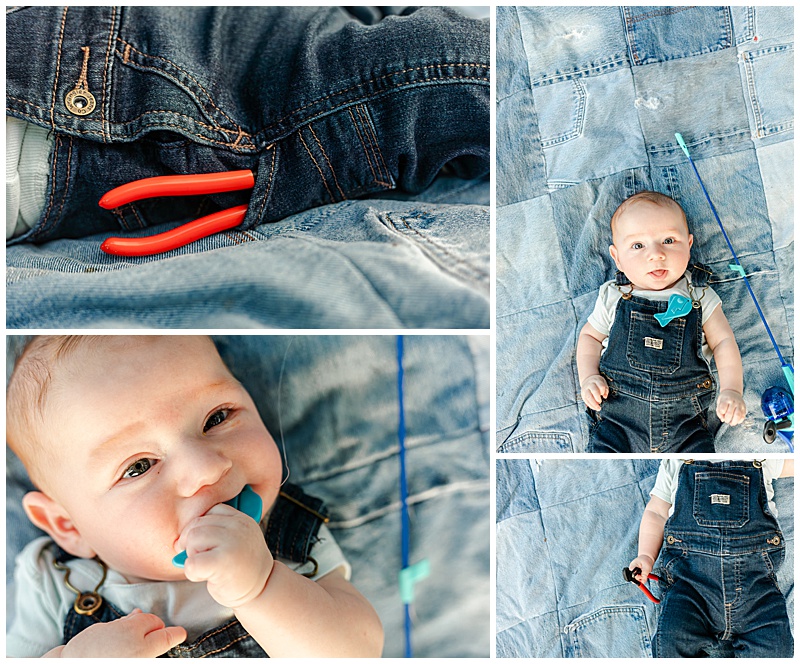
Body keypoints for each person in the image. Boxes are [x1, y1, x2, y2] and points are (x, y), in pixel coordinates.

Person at [5, 335, 383, 657]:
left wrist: (262, 586)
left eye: (217, 417)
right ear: (67, 525)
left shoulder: (285, 538)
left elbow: (360, 650)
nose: (205, 469)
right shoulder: (51, 583)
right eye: (139, 467)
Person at [576, 191, 746, 453]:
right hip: (619, 418)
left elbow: (724, 341)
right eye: (638, 246)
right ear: (617, 257)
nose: (656, 254)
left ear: (689, 244)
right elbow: (589, 337)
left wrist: (732, 389)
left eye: (668, 240)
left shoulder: (699, 295)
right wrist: (588, 377)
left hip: (685, 424)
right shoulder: (614, 296)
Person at [628, 458, 794, 657]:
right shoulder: (676, 461)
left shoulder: (760, 459)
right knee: (670, 642)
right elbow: (656, 512)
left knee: (776, 647)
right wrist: (646, 555)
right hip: (691, 587)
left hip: (755, 588)